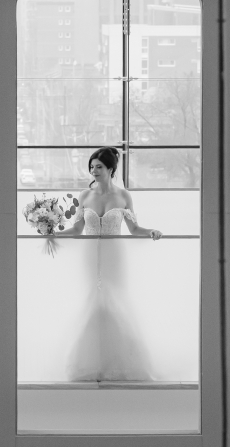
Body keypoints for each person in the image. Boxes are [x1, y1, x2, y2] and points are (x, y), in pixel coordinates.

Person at [62, 147, 162, 381]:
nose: (93, 171)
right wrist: (52, 234)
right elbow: (77, 230)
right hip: (90, 256)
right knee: (94, 300)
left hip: (114, 257)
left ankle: (120, 362)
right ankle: (89, 362)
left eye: (99, 167)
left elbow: (134, 229)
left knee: (113, 300)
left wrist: (152, 231)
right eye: (91, 167)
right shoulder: (84, 196)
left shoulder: (123, 196)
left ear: (110, 169)